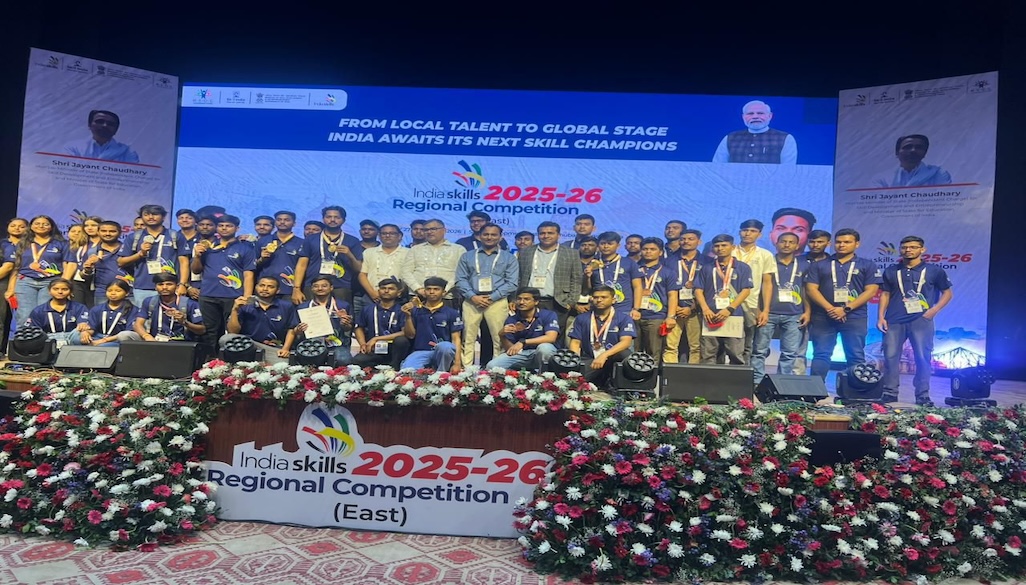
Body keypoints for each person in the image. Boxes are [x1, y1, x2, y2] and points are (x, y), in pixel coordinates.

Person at [878, 236, 954, 406]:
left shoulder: (934, 270)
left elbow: (947, 293)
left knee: (922, 357)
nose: (908, 250)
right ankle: (890, 392)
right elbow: (885, 294)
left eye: (913, 247)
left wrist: (934, 310)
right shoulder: (891, 270)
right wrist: (881, 317)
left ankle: (922, 394)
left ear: (922, 249)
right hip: (894, 320)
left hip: (921, 320)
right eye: (904, 247)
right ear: (900, 249)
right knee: (890, 357)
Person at [805, 228, 882, 381]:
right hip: (823, 316)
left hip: (855, 317)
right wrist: (830, 309)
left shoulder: (867, 265)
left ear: (857, 244)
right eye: (839, 242)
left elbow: (871, 291)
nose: (842, 245)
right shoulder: (820, 265)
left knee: (855, 355)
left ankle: (856, 391)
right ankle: (815, 390)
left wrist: (846, 309)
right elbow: (811, 289)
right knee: (821, 354)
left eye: (847, 242)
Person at [455, 223, 519, 367]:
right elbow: (460, 279)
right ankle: (466, 371)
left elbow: (512, 283)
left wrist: (492, 297)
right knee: (468, 337)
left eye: (493, 234)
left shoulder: (509, 258)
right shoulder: (467, 256)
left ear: (500, 237)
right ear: (480, 236)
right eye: (486, 234)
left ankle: (497, 369)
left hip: (497, 301)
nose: (489, 237)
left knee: (499, 337)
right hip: (472, 300)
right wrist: (473, 296)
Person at [751, 232, 812, 383]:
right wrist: (758, 310)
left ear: (797, 246)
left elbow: (806, 290)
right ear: (776, 243)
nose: (786, 245)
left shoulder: (804, 264)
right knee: (759, 351)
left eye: (791, 242)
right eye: (783, 241)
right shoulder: (767, 261)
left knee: (789, 352)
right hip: (768, 313)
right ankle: (757, 382)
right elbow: (757, 287)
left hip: (794, 314)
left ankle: (781, 383)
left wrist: (807, 311)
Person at [190, 215, 256, 347]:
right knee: (209, 331)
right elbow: (196, 270)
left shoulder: (246, 248)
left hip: (233, 296)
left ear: (237, 228)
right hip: (208, 295)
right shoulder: (207, 247)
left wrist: (247, 297)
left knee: (234, 331)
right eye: (221, 226)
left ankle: (230, 357)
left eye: (229, 226)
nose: (224, 228)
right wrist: (197, 256)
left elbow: (249, 275)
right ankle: (211, 358)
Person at [695, 234, 753, 365]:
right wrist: (705, 309)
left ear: (733, 247)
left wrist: (729, 309)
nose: (720, 248)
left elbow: (746, 290)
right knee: (708, 354)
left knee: (735, 353)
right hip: (711, 316)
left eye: (724, 245)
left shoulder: (742, 267)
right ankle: (708, 379)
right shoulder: (707, 267)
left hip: (733, 315)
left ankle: (736, 378)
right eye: (717, 246)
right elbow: (698, 290)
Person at [117, 204, 190, 305]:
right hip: (143, 287)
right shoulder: (134, 237)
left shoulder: (175, 236)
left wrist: (182, 284)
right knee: (144, 314)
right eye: (146, 214)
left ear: (163, 217)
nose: (151, 217)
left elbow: (184, 262)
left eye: (155, 214)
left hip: (170, 286)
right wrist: (140, 254)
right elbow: (121, 262)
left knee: (171, 314)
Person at [517, 221, 582, 334]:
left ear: (559, 235)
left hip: (558, 302)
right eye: (542, 233)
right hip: (529, 300)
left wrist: (571, 301)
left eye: (550, 233)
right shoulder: (526, 252)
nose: (546, 236)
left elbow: (576, 279)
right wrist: (515, 298)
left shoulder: (571, 253)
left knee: (555, 335)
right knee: (528, 333)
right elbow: (519, 277)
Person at [293, 206, 363, 305]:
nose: (332, 220)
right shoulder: (311, 239)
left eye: (337, 217)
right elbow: (301, 265)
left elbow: (358, 269)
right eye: (329, 217)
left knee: (340, 314)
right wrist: (296, 288)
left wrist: (349, 254)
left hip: (341, 286)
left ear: (343, 220)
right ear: (323, 219)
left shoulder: (352, 240)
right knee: (312, 313)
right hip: (313, 285)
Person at [569, 285, 636, 387]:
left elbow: (626, 342)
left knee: (625, 354)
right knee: (573, 381)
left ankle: (620, 386)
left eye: (604, 297)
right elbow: (575, 343)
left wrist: (604, 355)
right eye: (596, 297)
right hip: (590, 360)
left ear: (613, 300)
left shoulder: (624, 318)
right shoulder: (581, 318)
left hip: (612, 359)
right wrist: (575, 363)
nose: (599, 300)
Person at [6, 215, 67, 326]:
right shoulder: (22, 243)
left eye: (45, 224)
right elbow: (16, 267)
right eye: (37, 224)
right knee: (24, 314)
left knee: (44, 314)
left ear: (51, 227)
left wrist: (64, 284)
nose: (41, 226)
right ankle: (24, 336)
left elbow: (67, 265)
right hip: (25, 281)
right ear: (31, 226)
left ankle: (41, 337)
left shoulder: (61, 244)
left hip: (50, 282)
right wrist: (10, 289)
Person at [223, 276, 299, 364]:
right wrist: (235, 310)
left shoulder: (287, 306)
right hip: (249, 346)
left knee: (283, 364)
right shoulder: (244, 304)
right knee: (225, 338)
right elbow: (233, 332)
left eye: (270, 287)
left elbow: (291, 329)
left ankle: (265, 358)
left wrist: (285, 349)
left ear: (278, 290)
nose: (265, 289)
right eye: (262, 285)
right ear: (256, 287)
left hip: (274, 348)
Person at [731, 219, 776, 364]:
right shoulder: (730, 251)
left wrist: (765, 310)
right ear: (740, 232)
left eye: (753, 231)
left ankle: (743, 375)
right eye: (745, 230)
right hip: (727, 303)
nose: (748, 233)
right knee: (727, 344)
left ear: (760, 234)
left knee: (748, 345)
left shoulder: (765, 254)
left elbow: (767, 283)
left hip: (751, 305)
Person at [485, 287, 560, 371]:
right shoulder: (512, 319)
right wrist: (501, 335)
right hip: (522, 354)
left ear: (536, 302)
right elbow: (511, 349)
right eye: (519, 299)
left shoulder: (548, 315)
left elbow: (551, 338)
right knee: (492, 366)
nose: (521, 302)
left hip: (541, 352)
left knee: (544, 348)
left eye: (526, 299)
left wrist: (523, 342)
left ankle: (545, 376)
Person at [400, 277, 463, 373]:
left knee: (446, 346)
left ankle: (441, 375)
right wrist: (408, 317)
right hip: (421, 351)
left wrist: (457, 363)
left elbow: (456, 339)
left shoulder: (452, 313)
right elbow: (410, 335)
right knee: (406, 371)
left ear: (443, 292)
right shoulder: (415, 310)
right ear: (424, 291)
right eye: (428, 289)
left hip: (442, 351)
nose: (432, 292)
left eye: (436, 289)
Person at [663, 229, 707, 364]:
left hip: (696, 310)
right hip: (673, 310)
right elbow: (663, 286)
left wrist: (693, 307)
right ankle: (670, 373)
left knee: (696, 347)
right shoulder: (668, 261)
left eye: (690, 239)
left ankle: (693, 375)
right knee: (670, 346)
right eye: (683, 239)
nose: (686, 242)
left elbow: (709, 288)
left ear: (699, 242)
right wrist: (674, 307)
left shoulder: (707, 261)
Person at [792, 229, 832, 375]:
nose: (815, 245)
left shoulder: (832, 262)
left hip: (824, 311)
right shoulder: (797, 261)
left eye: (820, 242)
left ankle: (816, 381)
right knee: (798, 348)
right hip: (799, 309)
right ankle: (798, 380)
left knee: (822, 349)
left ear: (828, 243)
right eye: (812, 242)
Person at [401, 219, 463, 308]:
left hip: (447, 296)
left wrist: (444, 290)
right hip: (418, 296)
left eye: (433, 229)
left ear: (444, 230)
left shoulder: (458, 249)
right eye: (426, 230)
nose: (429, 232)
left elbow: (460, 273)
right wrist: (418, 288)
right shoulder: (415, 249)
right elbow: (405, 272)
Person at [635, 238, 679, 361]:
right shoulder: (634, 269)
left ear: (660, 252)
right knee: (633, 352)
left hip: (656, 317)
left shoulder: (668, 272)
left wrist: (671, 316)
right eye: (645, 249)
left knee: (654, 353)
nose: (648, 252)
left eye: (652, 249)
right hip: (634, 315)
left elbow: (672, 295)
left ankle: (653, 374)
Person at [712, 100, 797, 164]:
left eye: (760, 113)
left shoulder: (785, 138)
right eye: (750, 113)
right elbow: (717, 166)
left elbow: (788, 170)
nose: (755, 116)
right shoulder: (730, 137)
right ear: (743, 117)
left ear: (770, 116)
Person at [352, 278, 410, 369]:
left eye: (391, 289)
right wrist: (363, 344)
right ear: (378, 291)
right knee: (358, 360)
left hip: (394, 349)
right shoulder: (368, 309)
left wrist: (377, 338)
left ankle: (395, 368)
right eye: (383, 288)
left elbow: (405, 332)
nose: (386, 291)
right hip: (374, 348)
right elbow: (359, 327)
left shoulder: (402, 310)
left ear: (398, 293)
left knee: (401, 340)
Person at [297, 276, 355, 365]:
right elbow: (295, 330)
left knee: (344, 360)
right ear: (311, 288)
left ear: (331, 288)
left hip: (336, 343)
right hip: (311, 344)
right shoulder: (303, 307)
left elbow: (348, 329)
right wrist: (299, 329)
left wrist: (345, 324)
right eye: (316, 286)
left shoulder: (343, 305)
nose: (320, 288)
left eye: (324, 286)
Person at [132, 273, 206, 342]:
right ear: (155, 287)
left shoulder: (190, 304)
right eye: (160, 284)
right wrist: (147, 336)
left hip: (182, 343)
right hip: (154, 340)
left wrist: (184, 322)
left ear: (177, 286)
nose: (164, 287)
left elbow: (202, 330)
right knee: (127, 335)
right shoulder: (149, 302)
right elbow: (137, 324)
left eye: (169, 284)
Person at [587, 232, 642, 321]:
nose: (606, 246)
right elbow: (588, 288)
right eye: (602, 243)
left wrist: (636, 308)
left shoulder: (629, 262)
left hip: (623, 309)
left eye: (610, 243)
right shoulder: (592, 263)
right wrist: (587, 277)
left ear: (618, 245)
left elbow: (637, 287)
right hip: (599, 309)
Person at [24, 279, 90, 346]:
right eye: (55, 289)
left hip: (71, 337)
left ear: (71, 291)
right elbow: (33, 330)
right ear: (49, 291)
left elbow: (83, 325)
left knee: (82, 334)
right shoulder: (38, 311)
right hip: (47, 338)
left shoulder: (79, 307)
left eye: (64, 289)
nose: (60, 292)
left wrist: (84, 329)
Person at [255, 210, 303, 302]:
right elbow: (252, 266)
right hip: (265, 288)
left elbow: (302, 267)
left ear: (294, 223)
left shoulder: (301, 243)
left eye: (287, 220)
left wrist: (297, 288)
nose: (282, 222)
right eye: (279, 219)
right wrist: (262, 259)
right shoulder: (262, 241)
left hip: (289, 288)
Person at [80, 220, 129, 306]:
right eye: (103, 231)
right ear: (98, 232)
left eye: (112, 231)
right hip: (102, 292)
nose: (108, 234)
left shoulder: (128, 249)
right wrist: (87, 269)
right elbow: (83, 275)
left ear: (120, 233)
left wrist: (131, 280)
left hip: (128, 291)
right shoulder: (92, 251)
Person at [873, 134, 952, 188]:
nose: (913, 150)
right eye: (907, 147)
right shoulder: (882, 178)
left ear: (925, 153)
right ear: (897, 152)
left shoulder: (938, 173)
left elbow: (943, 200)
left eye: (919, 147)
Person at [64, 110, 139, 163]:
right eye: (100, 121)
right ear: (89, 125)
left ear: (116, 130)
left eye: (110, 124)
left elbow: (130, 177)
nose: (105, 125)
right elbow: (69, 172)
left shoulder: (127, 152)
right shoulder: (73, 147)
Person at [80, 279, 137, 345]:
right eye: (109, 290)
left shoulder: (133, 310)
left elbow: (128, 333)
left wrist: (103, 341)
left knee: (104, 346)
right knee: (77, 337)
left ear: (127, 293)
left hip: (117, 340)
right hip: (98, 337)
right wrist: (86, 333)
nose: (113, 293)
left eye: (118, 291)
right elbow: (92, 327)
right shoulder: (97, 309)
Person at [62, 224, 94, 308]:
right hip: (76, 280)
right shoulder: (67, 246)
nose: (76, 233)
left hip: (92, 280)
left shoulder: (91, 245)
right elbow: (69, 265)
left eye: (80, 232)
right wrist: (65, 284)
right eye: (73, 231)